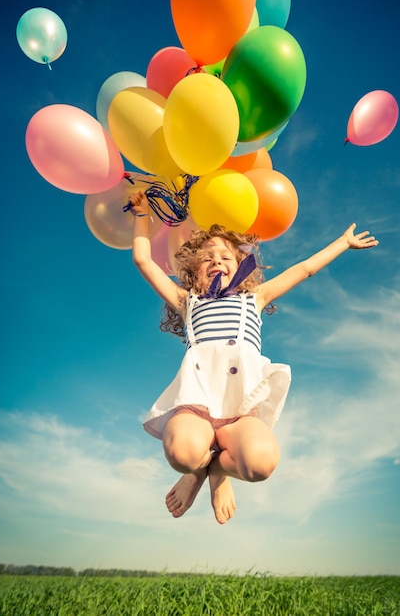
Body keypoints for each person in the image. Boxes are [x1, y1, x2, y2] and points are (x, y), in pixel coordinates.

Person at [130, 190, 378, 524]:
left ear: (241, 268)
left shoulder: (254, 299)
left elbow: (304, 269)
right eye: (207, 257)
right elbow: (143, 261)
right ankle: (199, 469)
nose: (217, 259)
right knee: (181, 454)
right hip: (196, 406)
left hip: (241, 411)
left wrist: (343, 243)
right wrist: (141, 214)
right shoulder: (188, 302)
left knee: (261, 464)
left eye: (226, 256)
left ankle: (215, 470)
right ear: (193, 271)